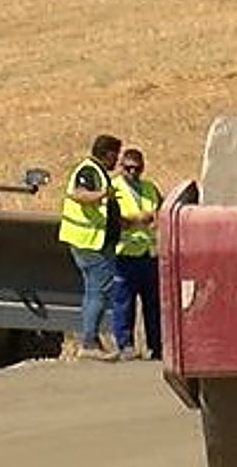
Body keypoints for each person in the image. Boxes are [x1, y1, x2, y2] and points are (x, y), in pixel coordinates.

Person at [58, 133, 123, 362]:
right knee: (99, 291)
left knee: (91, 292)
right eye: (116, 154)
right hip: (89, 243)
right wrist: (102, 195)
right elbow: (79, 194)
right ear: (107, 154)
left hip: (94, 242)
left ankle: (90, 339)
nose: (118, 161)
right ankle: (89, 342)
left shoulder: (99, 173)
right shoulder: (89, 171)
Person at [110, 148, 163, 361]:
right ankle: (125, 345)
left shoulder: (150, 188)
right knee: (123, 304)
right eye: (128, 167)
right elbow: (116, 221)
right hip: (123, 256)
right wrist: (140, 218)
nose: (133, 172)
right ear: (121, 166)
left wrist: (146, 218)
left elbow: (160, 214)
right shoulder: (113, 189)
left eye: (137, 168)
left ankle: (156, 346)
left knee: (153, 304)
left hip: (147, 254)